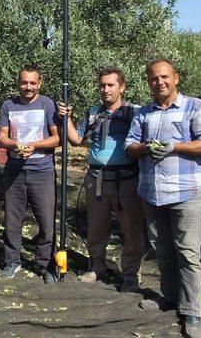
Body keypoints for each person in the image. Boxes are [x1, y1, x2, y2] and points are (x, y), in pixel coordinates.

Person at [124, 59, 201, 338]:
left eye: (165, 77)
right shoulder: (144, 113)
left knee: (188, 253)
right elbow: (129, 145)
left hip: (186, 191)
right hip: (152, 193)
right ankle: (169, 297)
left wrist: (173, 147)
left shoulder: (196, 107)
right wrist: (144, 148)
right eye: (154, 78)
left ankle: (192, 312)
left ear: (176, 78)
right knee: (163, 249)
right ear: (148, 82)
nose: (160, 82)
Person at [57, 67, 145, 292]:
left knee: (131, 229)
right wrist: (66, 118)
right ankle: (97, 266)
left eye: (111, 85)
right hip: (96, 179)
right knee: (96, 228)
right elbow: (76, 140)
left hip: (127, 179)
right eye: (102, 85)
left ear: (122, 87)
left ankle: (131, 274)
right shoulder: (94, 112)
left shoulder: (135, 112)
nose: (105, 89)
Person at [0, 64, 60, 282]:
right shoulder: (9, 105)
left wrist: (35, 145)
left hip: (42, 171)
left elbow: (57, 138)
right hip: (14, 170)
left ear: (39, 83)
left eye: (33, 83)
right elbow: (2, 136)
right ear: (18, 83)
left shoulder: (47, 104)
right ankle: (12, 261)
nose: (28, 87)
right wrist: (14, 145)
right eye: (24, 82)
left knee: (46, 221)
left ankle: (45, 264)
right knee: (12, 220)